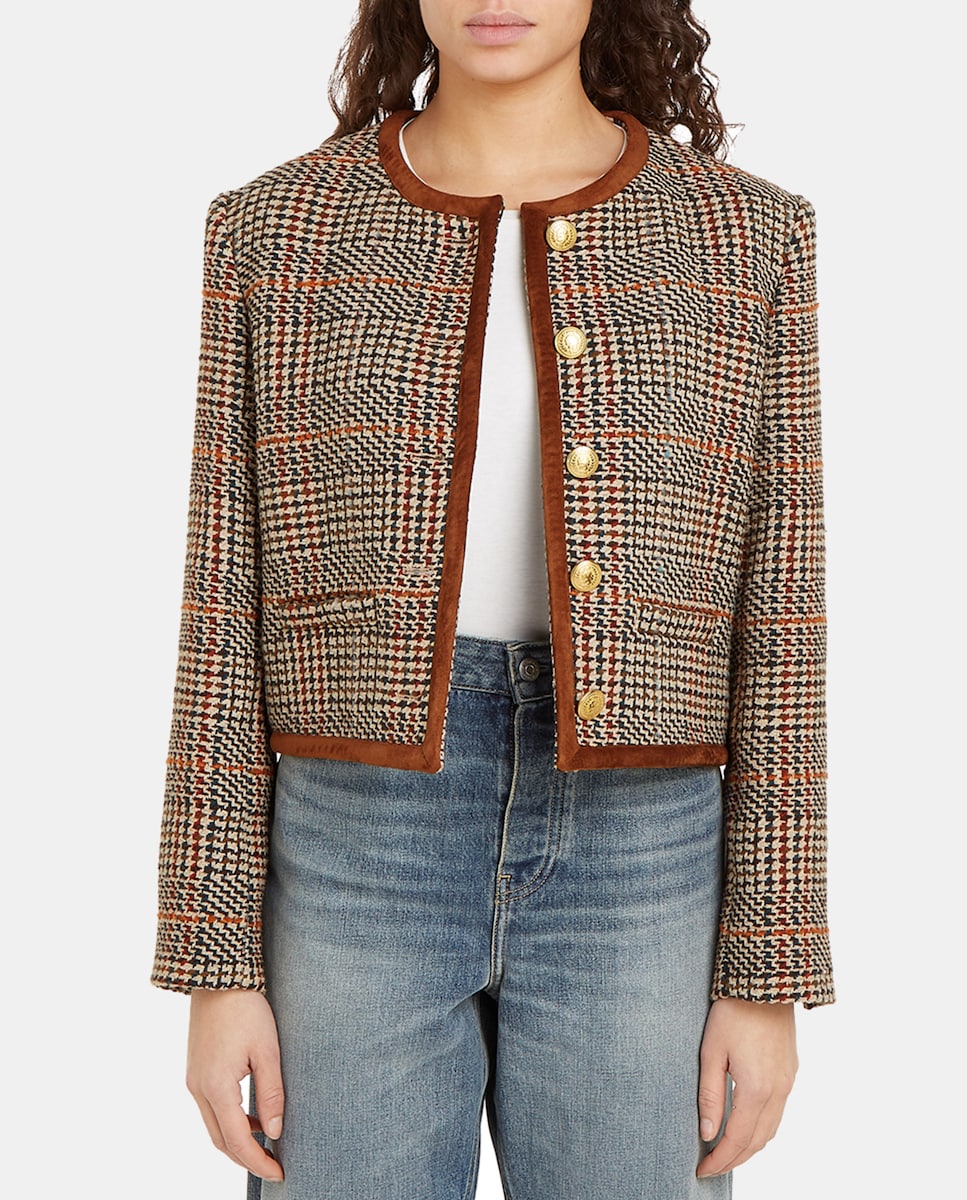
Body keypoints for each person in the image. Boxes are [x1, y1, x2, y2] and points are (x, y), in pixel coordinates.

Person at [152, 2, 834, 1197]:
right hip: (353, 843)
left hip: (643, 850)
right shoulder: (276, 228)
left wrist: (765, 971)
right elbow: (223, 600)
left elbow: (782, 613)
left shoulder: (743, 237)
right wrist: (215, 963)